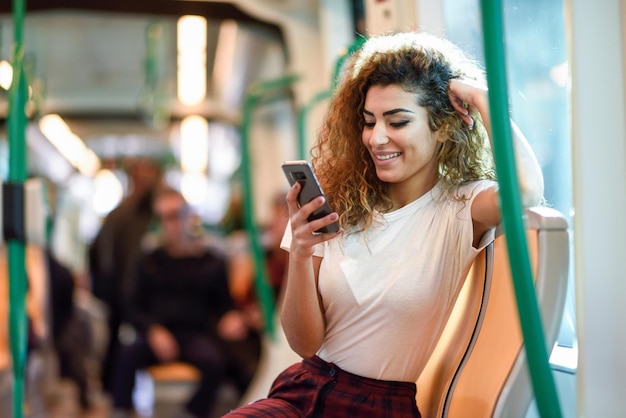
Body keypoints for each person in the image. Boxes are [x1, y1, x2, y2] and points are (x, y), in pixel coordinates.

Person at [224, 31, 544, 418]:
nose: (377, 138)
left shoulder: (460, 206)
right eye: (369, 121)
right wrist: (301, 255)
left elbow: (525, 191)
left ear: (442, 127)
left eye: (397, 121)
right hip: (305, 388)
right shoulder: (336, 203)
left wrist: (481, 97)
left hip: (381, 406)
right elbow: (305, 343)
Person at [110, 188, 257, 418]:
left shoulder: (211, 263)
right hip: (157, 333)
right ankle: (120, 411)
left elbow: (224, 304)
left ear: (189, 216)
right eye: (164, 217)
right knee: (126, 355)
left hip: (195, 334)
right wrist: (153, 330)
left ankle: (191, 413)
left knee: (216, 363)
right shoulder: (149, 262)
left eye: (175, 215)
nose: (171, 224)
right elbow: (132, 305)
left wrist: (231, 317)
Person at [88, 157, 163, 394]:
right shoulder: (124, 215)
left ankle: (117, 395)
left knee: (124, 346)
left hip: (127, 290)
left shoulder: (143, 214)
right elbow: (102, 255)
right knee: (122, 346)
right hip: (122, 290)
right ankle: (117, 396)